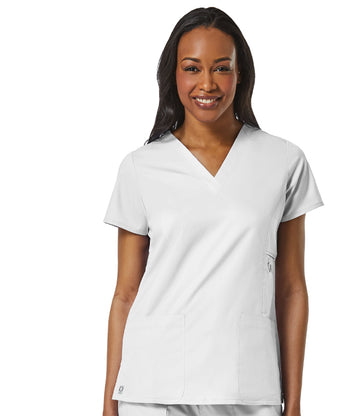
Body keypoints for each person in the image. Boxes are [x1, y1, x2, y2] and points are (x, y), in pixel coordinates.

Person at [102, 7, 324, 416]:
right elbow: (125, 294)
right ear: (173, 75)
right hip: (153, 387)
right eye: (192, 68)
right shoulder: (140, 167)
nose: (207, 83)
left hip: (247, 388)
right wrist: (108, 404)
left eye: (222, 68)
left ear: (241, 74)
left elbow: (292, 289)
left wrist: (293, 403)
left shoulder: (283, 161)